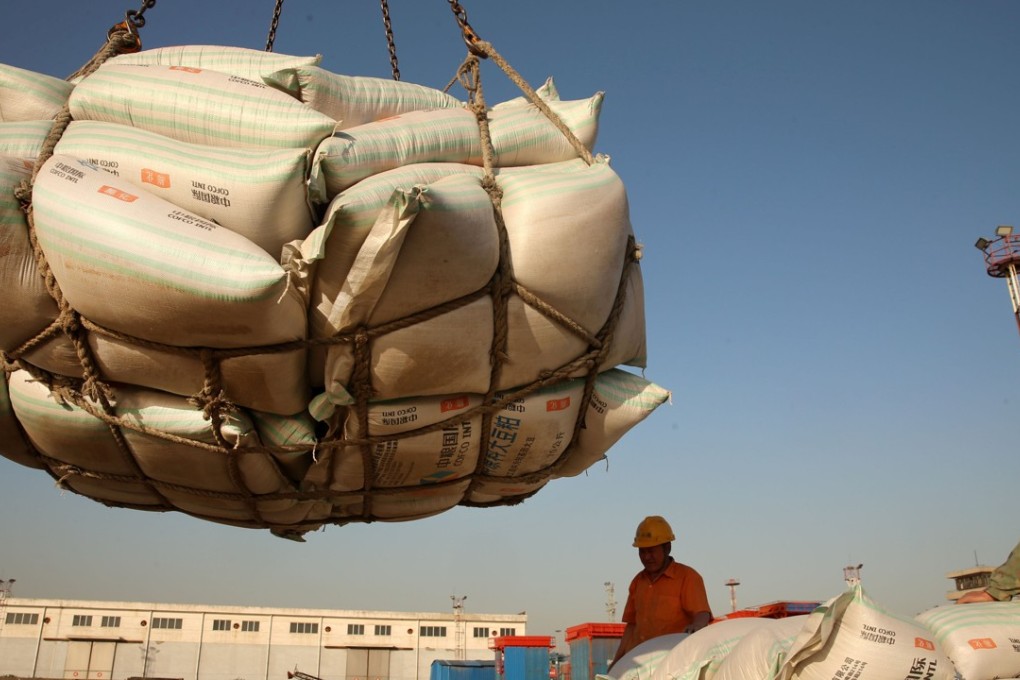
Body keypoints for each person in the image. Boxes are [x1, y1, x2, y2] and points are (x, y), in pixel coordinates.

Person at [609, 516, 712, 668]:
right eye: (642, 551)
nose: (646, 557)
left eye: (651, 551)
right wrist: (617, 662)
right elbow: (631, 626)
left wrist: (697, 625)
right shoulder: (637, 582)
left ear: (667, 548)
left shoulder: (688, 577)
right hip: (639, 664)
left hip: (670, 662)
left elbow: (702, 613)